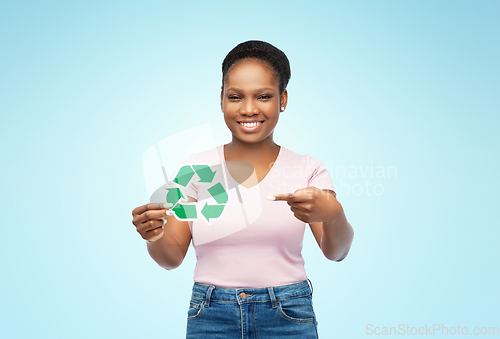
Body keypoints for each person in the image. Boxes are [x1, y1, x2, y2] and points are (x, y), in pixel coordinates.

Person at [131, 40, 354, 338]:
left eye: (263, 96)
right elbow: (170, 258)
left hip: (288, 314)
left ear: (283, 99)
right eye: (235, 96)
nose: (249, 109)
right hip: (211, 314)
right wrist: (155, 235)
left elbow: (335, 252)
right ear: (221, 99)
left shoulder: (307, 169)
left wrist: (334, 215)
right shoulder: (194, 169)